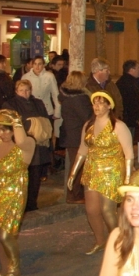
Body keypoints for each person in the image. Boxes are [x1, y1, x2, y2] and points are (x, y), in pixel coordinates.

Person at [67, 92, 134, 255]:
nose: (97, 106)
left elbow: (129, 154)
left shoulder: (118, 126)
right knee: (92, 210)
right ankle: (100, 241)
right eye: (94, 103)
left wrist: (127, 178)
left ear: (109, 106)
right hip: (92, 170)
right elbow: (83, 150)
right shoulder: (88, 125)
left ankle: (120, 243)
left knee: (107, 210)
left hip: (112, 171)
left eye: (101, 103)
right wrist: (73, 173)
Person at [3, 79, 51, 212]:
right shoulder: (10, 104)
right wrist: (31, 124)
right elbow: (10, 124)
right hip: (21, 144)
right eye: (21, 90)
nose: (25, 93)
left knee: (35, 176)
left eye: (27, 90)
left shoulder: (38, 103)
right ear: (16, 91)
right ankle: (19, 204)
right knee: (21, 176)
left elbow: (46, 120)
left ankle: (32, 204)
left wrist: (39, 126)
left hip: (38, 145)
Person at [0, 110, 34, 276]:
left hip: (15, 194)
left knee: (5, 235)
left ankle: (14, 269)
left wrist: (15, 119)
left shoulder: (25, 146)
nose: (3, 134)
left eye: (7, 129)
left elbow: (21, 139)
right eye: (0, 129)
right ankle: (4, 268)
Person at [59, 71, 93, 204]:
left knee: (75, 165)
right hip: (78, 136)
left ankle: (74, 193)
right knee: (77, 167)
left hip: (70, 134)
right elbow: (87, 117)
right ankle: (73, 194)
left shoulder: (65, 97)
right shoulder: (79, 98)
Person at [22, 55, 59, 119]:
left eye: (39, 64)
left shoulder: (50, 76)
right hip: (31, 110)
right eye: (35, 64)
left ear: (43, 65)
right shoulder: (26, 77)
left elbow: (55, 94)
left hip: (47, 110)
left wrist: (57, 111)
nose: (37, 66)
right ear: (32, 65)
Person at [115, 60, 139, 134]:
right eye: (138, 68)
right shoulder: (129, 84)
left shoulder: (123, 81)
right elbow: (131, 103)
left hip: (126, 119)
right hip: (128, 120)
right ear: (131, 70)